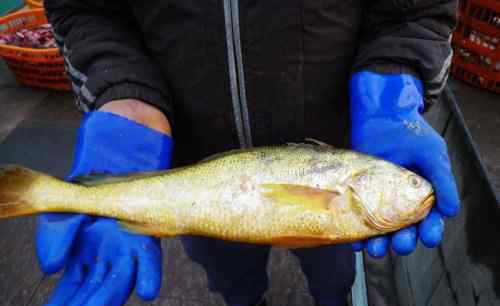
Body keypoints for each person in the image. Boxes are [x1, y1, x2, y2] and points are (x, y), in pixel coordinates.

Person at [37, 1, 461, 306]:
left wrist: (391, 83)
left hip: (339, 140)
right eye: (408, 182)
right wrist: (123, 94)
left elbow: (415, 11)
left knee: (333, 271)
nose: (416, 190)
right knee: (227, 271)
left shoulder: (352, 195)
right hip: (187, 153)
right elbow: (85, 9)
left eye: (408, 183)